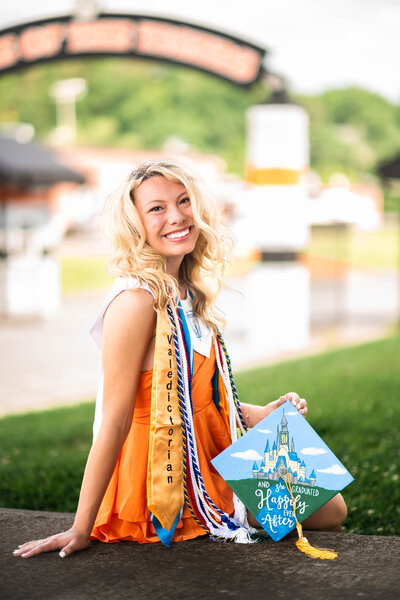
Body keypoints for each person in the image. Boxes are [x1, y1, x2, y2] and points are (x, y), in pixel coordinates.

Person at [13, 160, 347, 559]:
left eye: (184, 201)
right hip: (167, 471)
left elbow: (192, 398)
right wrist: (80, 527)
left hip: (212, 446)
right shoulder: (136, 301)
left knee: (331, 508)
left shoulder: (190, 292)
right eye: (157, 208)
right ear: (135, 222)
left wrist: (257, 412)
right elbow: (116, 420)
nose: (176, 216)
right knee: (322, 511)